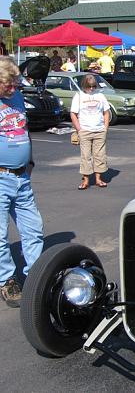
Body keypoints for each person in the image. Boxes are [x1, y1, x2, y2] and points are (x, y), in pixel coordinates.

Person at [0, 56, 44, 308]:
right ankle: (6, 280)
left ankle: (36, 276)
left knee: (33, 229)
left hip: (22, 177)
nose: (14, 89)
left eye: (16, 84)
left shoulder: (16, 98)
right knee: (0, 235)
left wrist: (30, 161)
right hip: (1, 177)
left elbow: (24, 131)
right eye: (8, 85)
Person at [70, 74, 110, 190]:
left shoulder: (100, 96)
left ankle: (98, 179)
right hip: (85, 130)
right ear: (84, 85)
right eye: (89, 86)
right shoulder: (79, 96)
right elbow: (73, 114)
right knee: (86, 156)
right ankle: (86, 180)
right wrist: (79, 129)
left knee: (100, 155)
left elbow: (106, 112)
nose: (91, 89)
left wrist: (105, 128)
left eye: (93, 86)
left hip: (99, 130)